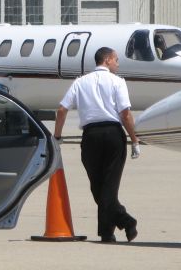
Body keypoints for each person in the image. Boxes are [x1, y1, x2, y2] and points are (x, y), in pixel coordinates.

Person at [54, 47, 140, 243]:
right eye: (116, 60)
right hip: (113, 136)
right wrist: (134, 140)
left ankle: (107, 233)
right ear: (108, 60)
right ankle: (126, 221)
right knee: (107, 187)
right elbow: (125, 114)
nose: (118, 64)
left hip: (90, 136)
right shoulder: (118, 82)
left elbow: (61, 110)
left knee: (98, 187)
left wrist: (57, 136)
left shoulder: (80, 82)